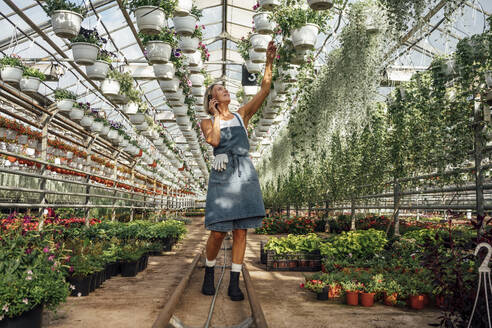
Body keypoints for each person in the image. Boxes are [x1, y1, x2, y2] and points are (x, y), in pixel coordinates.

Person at [199, 41, 277, 301]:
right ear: (212, 98)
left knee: (241, 230)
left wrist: (268, 61)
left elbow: (265, 89)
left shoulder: (243, 115)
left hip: (243, 173)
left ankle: (234, 282)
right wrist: (218, 117)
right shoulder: (207, 121)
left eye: (225, 88)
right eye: (220, 90)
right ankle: (209, 272)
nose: (225, 91)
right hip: (223, 174)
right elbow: (214, 142)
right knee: (219, 230)